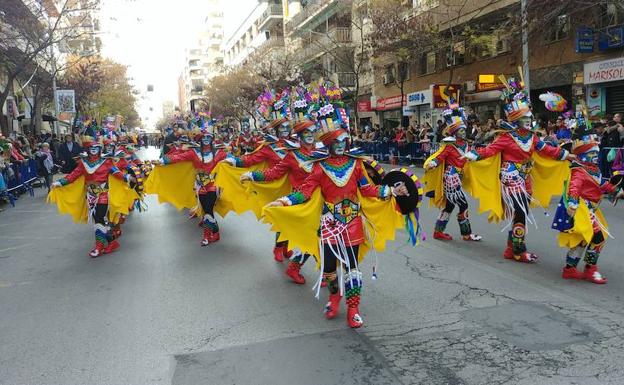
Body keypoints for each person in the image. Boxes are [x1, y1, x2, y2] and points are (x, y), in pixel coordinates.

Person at [265, 94, 409, 328]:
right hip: (330, 225)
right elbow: (305, 191)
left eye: (344, 140)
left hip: (352, 224)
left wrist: (391, 191)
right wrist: (284, 201)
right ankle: (335, 298)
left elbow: (369, 189)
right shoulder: (319, 168)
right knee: (330, 270)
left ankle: (353, 309)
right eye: (337, 141)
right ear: (329, 143)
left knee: (352, 268)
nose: (341, 144)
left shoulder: (356, 164)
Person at [465, 76, 574, 263]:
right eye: (525, 118)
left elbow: (546, 150)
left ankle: (511, 248)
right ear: (517, 119)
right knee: (521, 212)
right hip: (510, 178)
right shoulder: (506, 137)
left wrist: (565, 155)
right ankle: (518, 250)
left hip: (525, 178)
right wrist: (474, 155)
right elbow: (490, 150)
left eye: (530, 118)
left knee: (520, 212)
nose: (529, 121)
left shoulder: (533, 138)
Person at [240, 112, 325, 284]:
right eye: (306, 134)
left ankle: (321, 270)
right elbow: (274, 172)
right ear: (300, 136)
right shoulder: (292, 155)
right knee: (312, 235)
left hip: (321, 200)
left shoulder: (322, 152)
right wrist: (252, 175)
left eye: (312, 133)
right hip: (300, 199)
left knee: (320, 234)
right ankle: (295, 266)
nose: (310, 136)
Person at [552, 115, 623, 284]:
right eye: (592, 152)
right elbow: (574, 187)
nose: (595, 156)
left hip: (590, 207)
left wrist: (615, 190)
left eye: (596, 152)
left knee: (584, 239)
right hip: (582, 208)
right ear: (583, 154)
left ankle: (569, 269)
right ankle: (590, 269)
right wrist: (573, 203)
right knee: (597, 237)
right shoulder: (579, 170)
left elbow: (601, 185)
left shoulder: (594, 169)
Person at [50, 131, 137, 258]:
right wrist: (59, 183)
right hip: (90, 195)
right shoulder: (83, 163)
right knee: (98, 220)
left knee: (99, 219)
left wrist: (129, 178)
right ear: (88, 149)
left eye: (96, 147)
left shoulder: (106, 162)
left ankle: (99, 246)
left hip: (103, 195)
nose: (94, 150)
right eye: (91, 147)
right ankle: (111, 241)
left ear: (100, 149)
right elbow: (72, 176)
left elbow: (117, 172)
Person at [156, 128, 228, 245]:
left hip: (214, 186)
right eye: (203, 137)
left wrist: (235, 161)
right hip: (200, 186)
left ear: (211, 139)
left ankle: (207, 236)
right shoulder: (194, 153)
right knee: (206, 211)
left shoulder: (219, 153)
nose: (206, 139)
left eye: (208, 137)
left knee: (208, 210)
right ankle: (215, 233)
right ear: (200, 139)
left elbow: (232, 159)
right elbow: (178, 157)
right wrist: (162, 161)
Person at [424, 100, 482, 242]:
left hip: (459, 177)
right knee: (463, 204)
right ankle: (466, 233)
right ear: (455, 133)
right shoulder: (450, 145)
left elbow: (473, 156)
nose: (463, 132)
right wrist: (433, 163)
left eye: (463, 129)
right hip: (450, 178)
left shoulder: (466, 144)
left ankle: (438, 231)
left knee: (449, 206)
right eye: (460, 130)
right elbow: (440, 156)